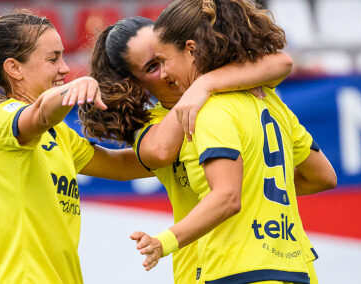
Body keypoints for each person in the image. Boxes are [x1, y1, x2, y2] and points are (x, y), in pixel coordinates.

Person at [128, 0, 336, 283]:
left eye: (163, 60)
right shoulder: (272, 101)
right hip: (297, 267)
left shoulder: (209, 110)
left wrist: (165, 242)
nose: (163, 74)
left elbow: (227, 197)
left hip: (240, 271)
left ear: (190, 49)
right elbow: (323, 176)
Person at [78, 16, 296, 284]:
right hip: (197, 272)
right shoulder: (152, 125)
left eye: (165, 55)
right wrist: (201, 88)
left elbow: (283, 62)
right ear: (135, 84)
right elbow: (158, 152)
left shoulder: (222, 94)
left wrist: (206, 84)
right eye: (152, 67)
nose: (167, 70)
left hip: (249, 265)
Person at [0, 12, 152, 284]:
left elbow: (124, 166)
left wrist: (185, 146)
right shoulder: (0, 118)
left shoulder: (60, 134)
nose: (65, 68)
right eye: (53, 59)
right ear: (14, 68)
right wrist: (76, 89)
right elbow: (42, 112)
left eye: (63, 56)